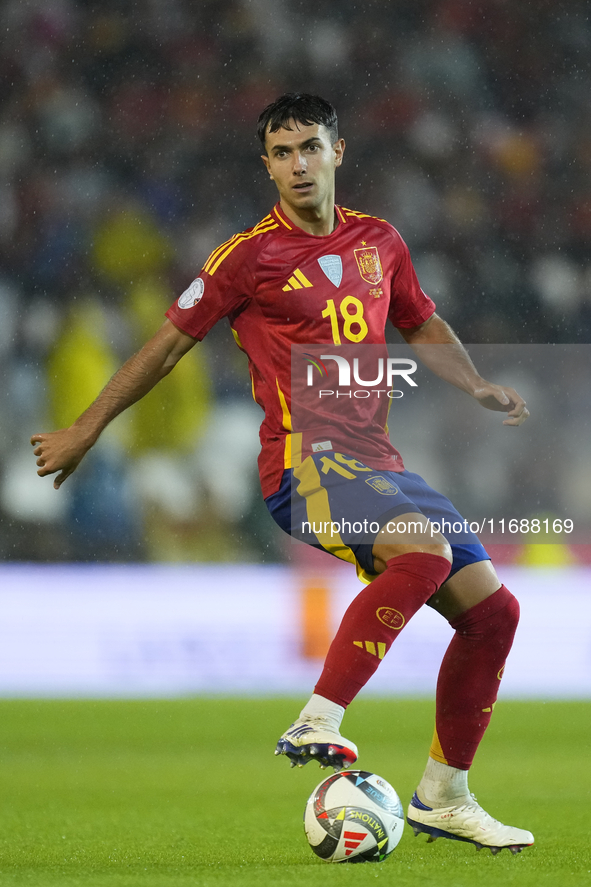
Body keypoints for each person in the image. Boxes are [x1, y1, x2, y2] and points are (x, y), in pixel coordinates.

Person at [31, 93, 533, 855]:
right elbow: (166, 346)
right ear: (266, 164)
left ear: (338, 151)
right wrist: (85, 429)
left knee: (494, 614)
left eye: (309, 147)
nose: (297, 164)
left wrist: (474, 384)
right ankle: (319, 716)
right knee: (423, 553)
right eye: (281, 152)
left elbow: (418, 318)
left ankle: (443, 795)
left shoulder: (380, 241)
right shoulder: (245, 257)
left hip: (380, 467)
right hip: (303, 467)